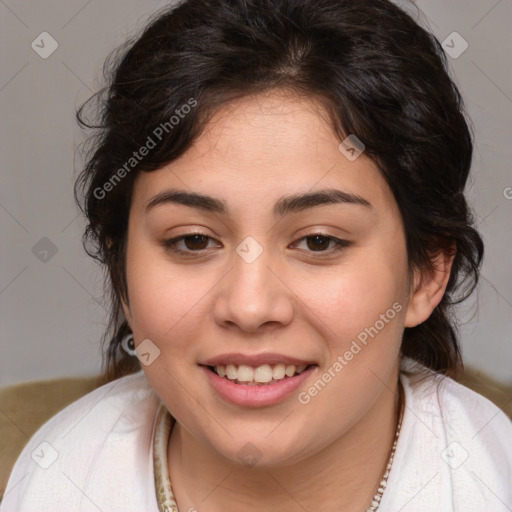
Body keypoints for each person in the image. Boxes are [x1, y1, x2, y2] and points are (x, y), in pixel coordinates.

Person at [2, 0, 511, 510]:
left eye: (318, 241)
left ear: (425, 274)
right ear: (121, 274)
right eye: (193, 240)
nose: (249, 307)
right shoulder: (39, 477)